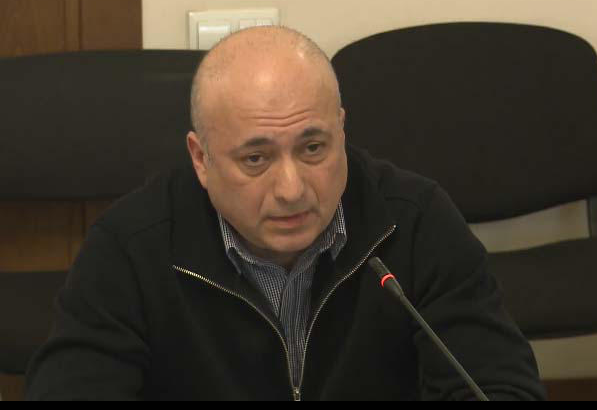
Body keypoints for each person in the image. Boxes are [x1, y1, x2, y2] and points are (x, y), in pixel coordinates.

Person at [26, 26, 545, 401]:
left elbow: (499, 387)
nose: (292, 190)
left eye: (313, 148)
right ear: (201, 159)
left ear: (341, 130)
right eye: (256, 159)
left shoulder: (415, 221)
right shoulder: (132, 246)